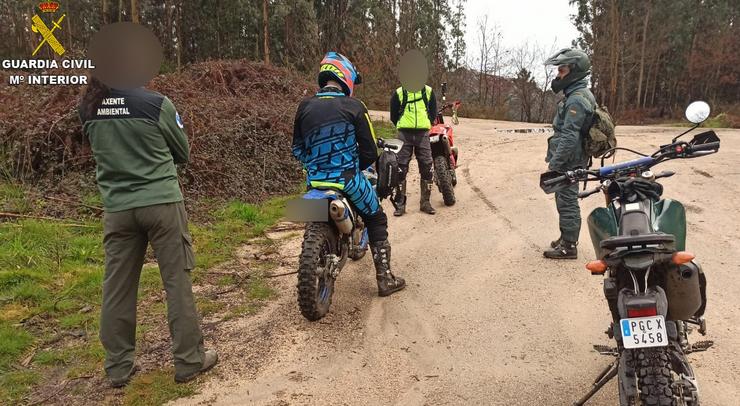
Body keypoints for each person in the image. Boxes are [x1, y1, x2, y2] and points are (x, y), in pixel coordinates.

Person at [80, 77, 218, 387]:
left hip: (117, 209)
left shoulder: (89, 107)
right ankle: (188, 361)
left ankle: (117, 367)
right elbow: (182, 152)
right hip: (162, 205)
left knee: (117, 288)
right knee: (176, 282)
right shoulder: (155, 104)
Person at [292, 52, 406, 297]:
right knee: (376, 217)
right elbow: (368, 151)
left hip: (314, 181)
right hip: (347, 179)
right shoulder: (354, 106)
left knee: (311, 219)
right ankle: (385, 278)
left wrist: (315, 165)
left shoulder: (305, 106)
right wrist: (353, 165)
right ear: (346, 77)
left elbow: (298, 148)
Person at [543, 48, 597, 259]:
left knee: (567, 200)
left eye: (562, 70)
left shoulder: (577, 99)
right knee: (563, 198)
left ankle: (569, 246)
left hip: (570, 159)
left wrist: (555, 163)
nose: (558, 75)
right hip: (571, 157)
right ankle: (566, 236)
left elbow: (569, 136)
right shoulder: (576, 94)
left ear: (575, 71)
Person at [389, 78, 438, 216]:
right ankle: (400, 205)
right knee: (400, 169)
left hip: (423, 133)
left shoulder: (428, 91)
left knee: (427, 167)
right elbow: (393, 115)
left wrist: (426, 123)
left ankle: (425, 203)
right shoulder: (399, 93)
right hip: (404, 134)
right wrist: (403, 124)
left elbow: (433, 112)